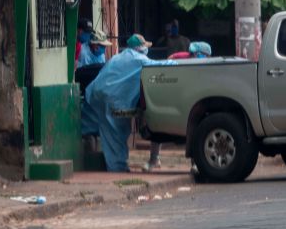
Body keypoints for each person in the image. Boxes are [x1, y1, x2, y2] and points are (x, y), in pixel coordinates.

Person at [81, 34, 176, 172]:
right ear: (139, 48)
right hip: (113, 99)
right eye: (144, 47)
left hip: (96, 95)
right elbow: (157, 66)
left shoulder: (118, 57)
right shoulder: (137, 59)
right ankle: (117, 168)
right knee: (116, 134)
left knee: (102, 129)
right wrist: (174, 61)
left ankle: (115, 164)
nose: (146, 50)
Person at [143, 41, 212, 172]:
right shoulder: (180, 57)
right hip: (174, 98)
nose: (193, 56)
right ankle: (153, 159)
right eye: (192, 53)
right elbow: (167, 65)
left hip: (194, 102)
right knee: (158, 130)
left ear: (206, 55)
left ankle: (196, 163)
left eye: (197, 54)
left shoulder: (207, 66)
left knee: (195, 132)